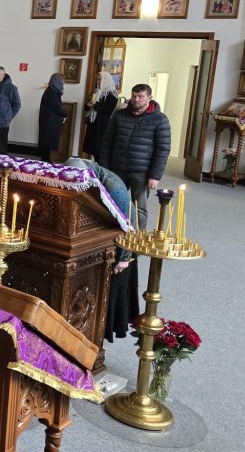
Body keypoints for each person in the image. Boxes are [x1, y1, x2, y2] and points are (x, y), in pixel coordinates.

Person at [65, 158, 141, 343]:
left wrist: (125, 257)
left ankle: (101, 333)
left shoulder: (114, 186)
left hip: (121, 245)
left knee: (110, 293)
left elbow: (129, 223)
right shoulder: (83, 172)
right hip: (100, 236)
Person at [96, 83, 171, 230]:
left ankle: (138, 237)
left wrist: (155, 176)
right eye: (134, 96)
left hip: (141, 171)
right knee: (112, 202)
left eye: (141, 96)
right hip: (117, 168)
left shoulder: (160, 119)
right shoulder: (120, 115)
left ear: (149, 97)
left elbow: (163, 149)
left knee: (139, 208)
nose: (136, 99)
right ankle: (114, 236)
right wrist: (104, 168)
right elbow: (107, 143)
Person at [83, 72, 119, 158]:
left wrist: (95, 104)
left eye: (100, 79)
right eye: (97, 79)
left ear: (106, 80)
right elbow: (88, 105)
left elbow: (108, 109)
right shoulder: (95, 92)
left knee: (100, 149)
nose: (98, 81)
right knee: (92, 147)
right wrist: (88, 105)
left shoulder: (112, 94)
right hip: (93, 122)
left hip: (103, 124)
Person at [37, 73, 68, 163]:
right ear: (57, 81)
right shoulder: (51, 92)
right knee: (47, 142)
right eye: (62, 81)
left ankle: (46, 160)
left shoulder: (53, 91)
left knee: (47, 143)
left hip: (50, 121)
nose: (63, 83)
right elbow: (57, 107)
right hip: (48, 122)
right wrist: (65, 114)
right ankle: (45, 161)